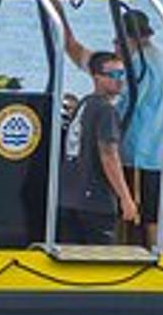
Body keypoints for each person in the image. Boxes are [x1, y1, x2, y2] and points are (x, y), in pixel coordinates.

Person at [59, 8, 163, 247]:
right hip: (150, 152)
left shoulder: (135, 66)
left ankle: (147, 256)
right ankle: (146, 250)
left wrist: (85, 109)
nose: (116, 45)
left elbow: (115, 103)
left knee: (140, 212)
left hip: (139, 153)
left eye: (119, 41)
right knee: (145, 212)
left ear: (135, 39)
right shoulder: (154, 59)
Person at [58, 52, 141, 244]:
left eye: (122, 74)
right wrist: (126, 199)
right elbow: (109, 156)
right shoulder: (106, 111)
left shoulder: (85, 104)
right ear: (97, 78)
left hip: (70, 197)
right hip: (95, 202)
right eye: (112, 75)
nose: (119, 80)